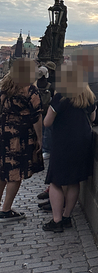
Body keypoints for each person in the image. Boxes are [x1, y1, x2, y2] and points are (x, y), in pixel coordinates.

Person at [42, 62, 96, 232]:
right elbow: (93, 118)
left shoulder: (61, 96)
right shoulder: (88, 96)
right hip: (83, 142)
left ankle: (56, 221)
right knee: (73, 181)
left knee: (56, 181)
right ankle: (66, 217)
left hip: (64, 142)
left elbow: (47, 122)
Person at [0, 59, 44, 222]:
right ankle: (5, 210)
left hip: (3, 133)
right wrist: (40, 138)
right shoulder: (30, 89)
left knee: (2, 171)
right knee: (15, 173)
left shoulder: (5, 87)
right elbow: (36, 117)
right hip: (21, 136)